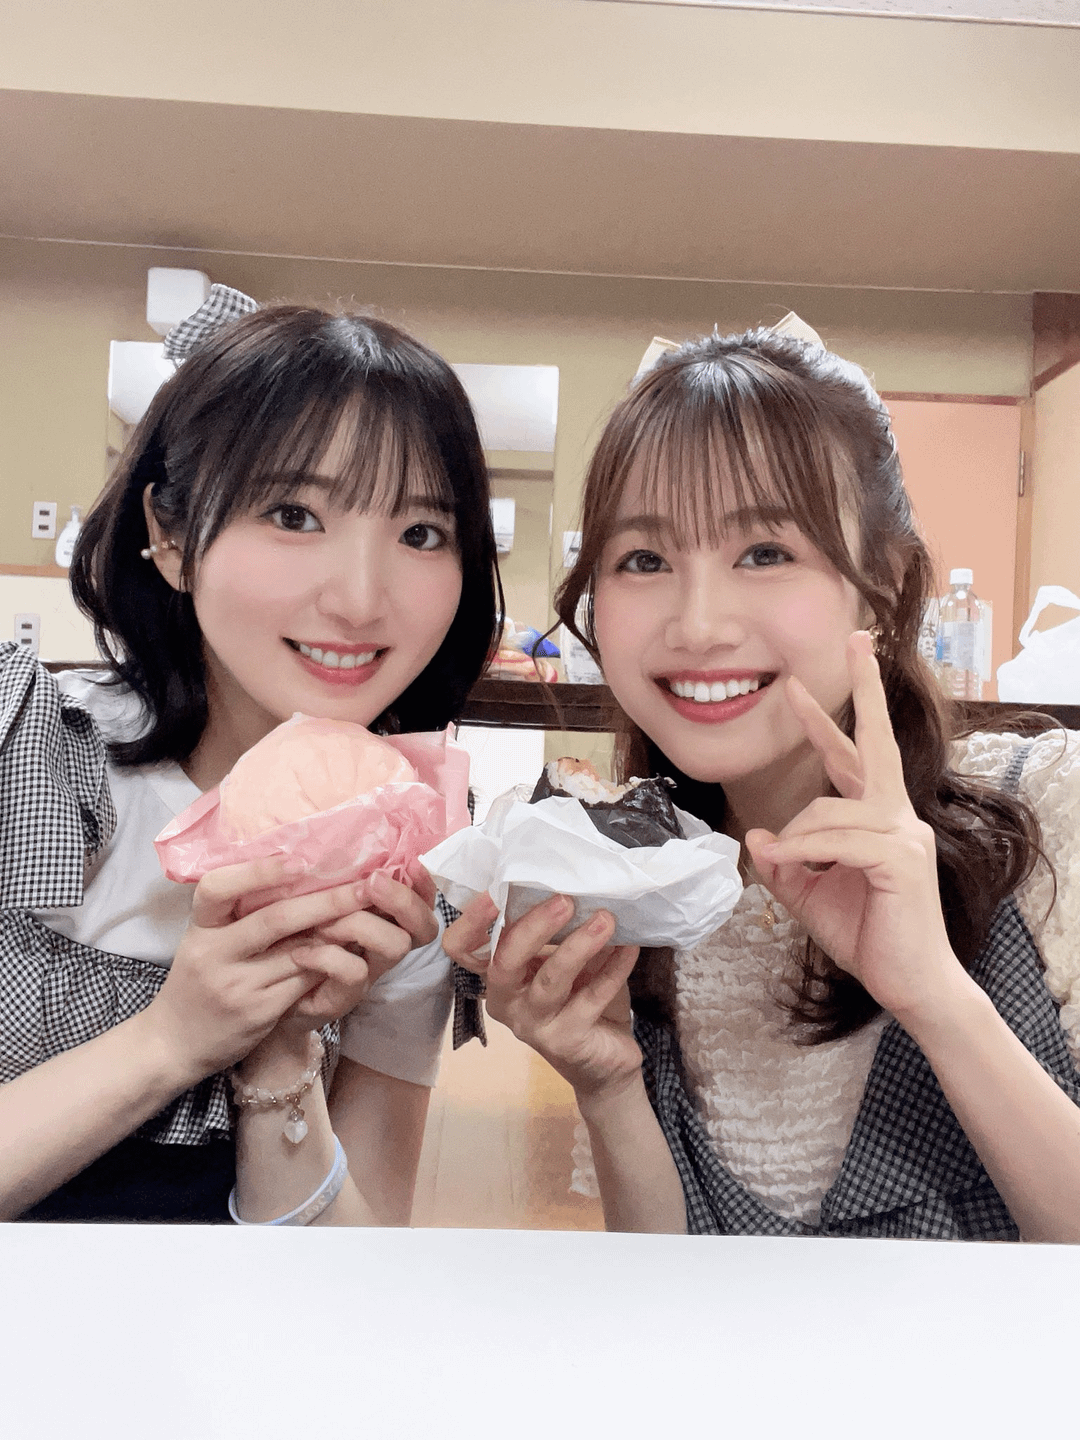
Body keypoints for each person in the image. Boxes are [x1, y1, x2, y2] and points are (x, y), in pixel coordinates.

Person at [444, 328, 1080, 1242]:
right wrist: (608, 1083)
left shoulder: (1048, 812)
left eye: (766, 552)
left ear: (884, 584)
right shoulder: (634, 890)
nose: (699, 625)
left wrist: (937, 998)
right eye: (645, 560)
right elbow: (670, 1288)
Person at [0, 296, 501, 1225]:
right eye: (293, 514)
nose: (361, 599)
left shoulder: (408, 865)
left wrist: (281, 1049)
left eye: (421, 533)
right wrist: (173, 1039)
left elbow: (352, 1266)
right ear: (171, 537)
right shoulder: (26, 755)